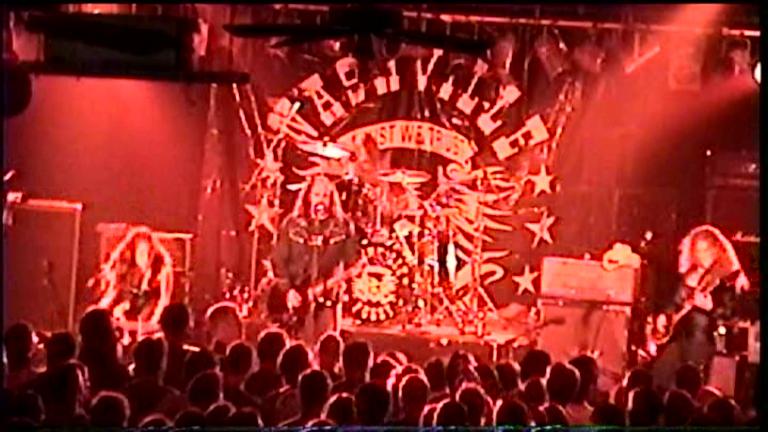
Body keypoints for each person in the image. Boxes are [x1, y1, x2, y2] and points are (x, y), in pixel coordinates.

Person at [650, 225, 749, 390]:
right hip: (680, 339)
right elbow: (674, 303)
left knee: (689, 378)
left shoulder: (728, 278)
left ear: (716, 250)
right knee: (661, 373)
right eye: (697, 251)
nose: (701, 255)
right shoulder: (689, 274)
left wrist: (710, 309)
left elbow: (733, 315)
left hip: (705, 341)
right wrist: (664, 315)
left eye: (705, 250)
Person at [271, 175, 360, 344]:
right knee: (296, 348)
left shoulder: (343, 225)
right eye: (317, 195)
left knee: (326, 346)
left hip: (327, 300)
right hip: (296, 298)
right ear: (308, 196)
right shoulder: (292, 224)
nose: (321, 200)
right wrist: (288, 290)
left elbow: (352, 260)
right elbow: (278, 260)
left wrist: (338, 280)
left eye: (325, 196)